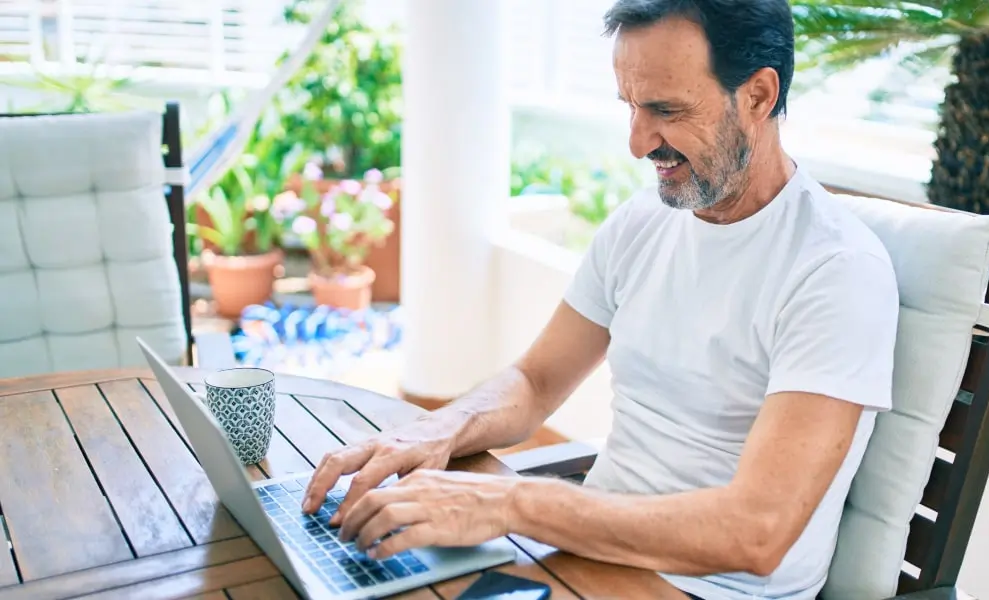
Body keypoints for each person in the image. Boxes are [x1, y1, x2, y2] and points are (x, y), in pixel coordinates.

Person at [302, 1, 900, 598]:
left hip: (708, 587)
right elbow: (537, 382)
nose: (638, 144)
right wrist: (437, 430)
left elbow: (756, 533)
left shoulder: (835, 272)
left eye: (666, 110)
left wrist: (512, 502)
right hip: (587, 555)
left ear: (759, 95)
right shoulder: (644, 221)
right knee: (335, 573)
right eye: (632, 107)